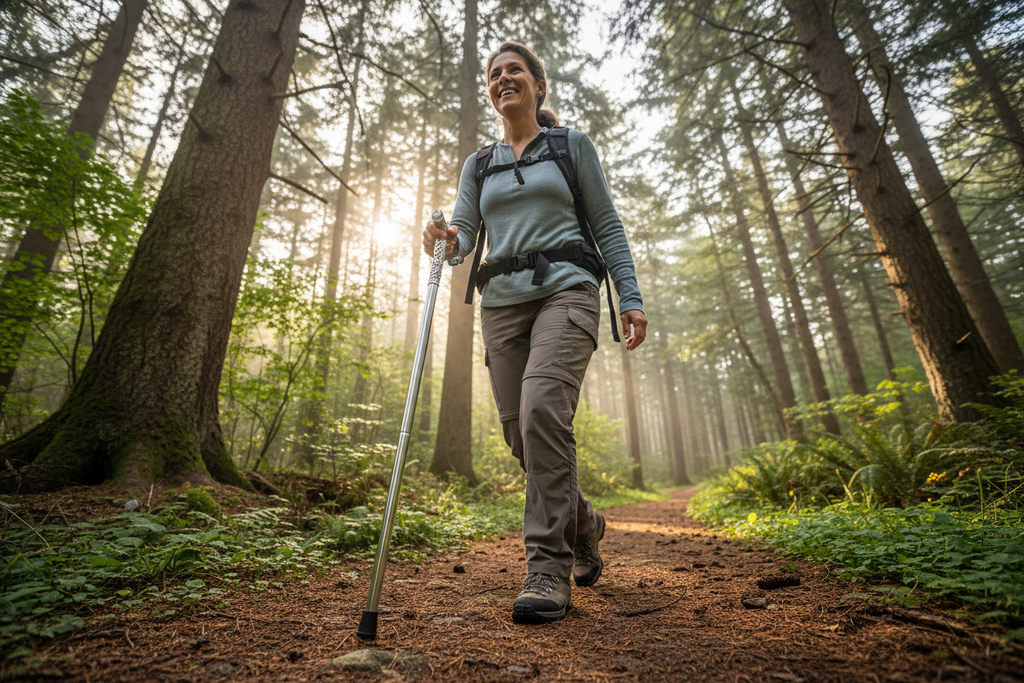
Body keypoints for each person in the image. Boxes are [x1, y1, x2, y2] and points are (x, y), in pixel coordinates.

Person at [423, 40, 647, 624]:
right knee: (521, 434)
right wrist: (444, 239)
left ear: (538, 85)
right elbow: (463, 238)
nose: (503, 79)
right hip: (501, 305)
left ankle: (547, 566)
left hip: (566, 291)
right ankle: (585, 522)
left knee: (543, 410)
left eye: (514, 70)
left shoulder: (571, 146)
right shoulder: (479, 163)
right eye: (494, 73)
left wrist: (630, 295)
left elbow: (607, 224)